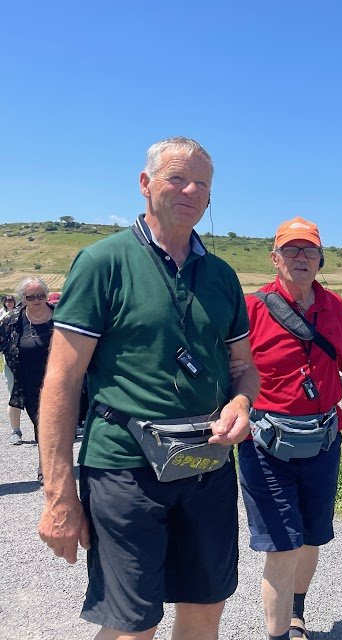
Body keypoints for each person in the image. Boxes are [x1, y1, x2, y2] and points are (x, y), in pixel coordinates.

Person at [36, 137, 260, 640]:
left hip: (205, 463)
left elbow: (244, 367)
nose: (191, 190)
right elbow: (61, 383)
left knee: (206, 607)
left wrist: (243, 401)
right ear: (145, 184)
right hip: (124, 467)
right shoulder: (103, 263)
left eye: (202, 184)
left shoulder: (222, 277)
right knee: (132, 625)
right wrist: (59, 495)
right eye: (177, 178)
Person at [238, 216, 342, 640]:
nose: (300, 257)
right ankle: (279, 634)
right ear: (275, 258)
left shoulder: (335, 308)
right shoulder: (251, 309)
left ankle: (296, 611)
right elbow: (226, 370)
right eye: (291, 249)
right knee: (282, 546)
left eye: (309, 250)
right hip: (267, 447)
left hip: (322, 444)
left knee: (310, 538)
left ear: (320, 260)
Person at [0, 279, 54, 471]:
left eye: (41, 295)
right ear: (23, 299)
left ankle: (50, 465)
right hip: (28, 383)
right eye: (32, 297)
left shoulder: (61, 316)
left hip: (60, 381)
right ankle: (48, 465)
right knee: (40, 422)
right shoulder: (12, 320)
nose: (37, 300)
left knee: (54, 424)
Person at [0, 294, 24, 445]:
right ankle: (16, 431)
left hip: (34, 363)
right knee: (13, 395)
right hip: (11, 362)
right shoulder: (5, 318)